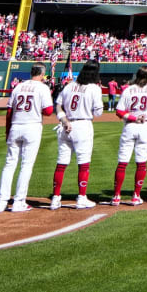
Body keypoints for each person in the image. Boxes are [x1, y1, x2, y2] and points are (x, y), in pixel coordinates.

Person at [0, 65, 55, 212]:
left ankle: (2, 201)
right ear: (42, 75)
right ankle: (19, 201)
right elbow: (48, 111)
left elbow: (9, 112)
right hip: (32, 127)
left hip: (15, 126)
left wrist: (7, 131)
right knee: (26, 165)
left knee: (9, 164)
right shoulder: (42, 88)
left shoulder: (18, 87)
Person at [50, 61, 104, 209]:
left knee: (61, 163)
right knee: (83, 163)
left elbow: (58, 104)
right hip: (83, 125)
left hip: (65, 125)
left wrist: (64, 119)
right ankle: (81, 197)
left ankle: (55, 197)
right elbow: (98, 112)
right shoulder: (94, 88)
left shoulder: (70, 85)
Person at [112, 65, 147, 205]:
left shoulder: (128, 89)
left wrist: (134, 117)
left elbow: (119, 111)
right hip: (145, 126)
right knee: (141, 162)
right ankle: (136, 195)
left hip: (130, 125)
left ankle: (116, 196)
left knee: (123, 162)